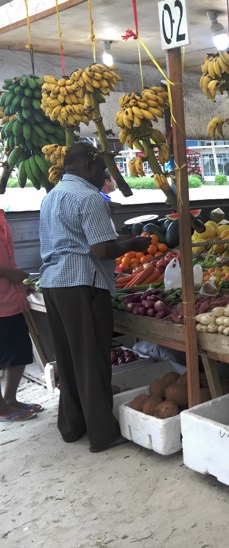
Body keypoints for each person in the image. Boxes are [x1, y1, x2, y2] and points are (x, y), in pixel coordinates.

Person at [39, 143, 151, 453]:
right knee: (92, 360)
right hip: (81, 285)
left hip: (54, 283)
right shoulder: (88, 197)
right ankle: (103, 434)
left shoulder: (53, 195)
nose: (104, 175)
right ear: (86, 166)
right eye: (101, 169)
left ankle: (72, 427)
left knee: (69, 359)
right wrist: (135, 244)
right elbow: (102, 250)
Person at [0, 208, 41, 422]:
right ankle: (1, 409)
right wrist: (10, 274)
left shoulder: (1, 215)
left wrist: (18, 286)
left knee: (19, 352)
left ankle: (10, 399)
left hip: (10, 298)